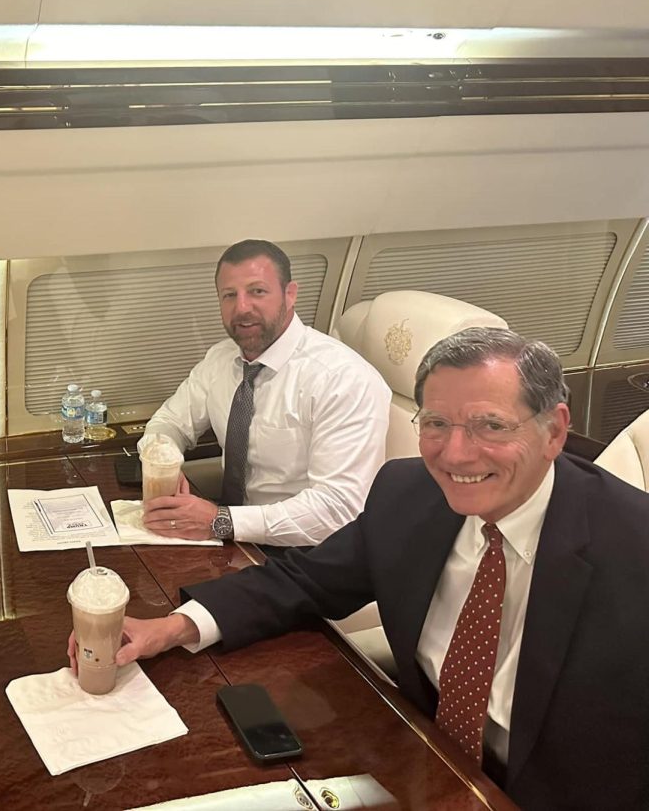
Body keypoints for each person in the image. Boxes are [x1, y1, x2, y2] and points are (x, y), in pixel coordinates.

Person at [88, 328, 649, 808]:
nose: (454, 454)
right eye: (435, 424)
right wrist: (175, 626)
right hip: (421, 759)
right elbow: (306, 579)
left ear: (554, 430)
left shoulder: (633, 547)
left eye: (489, 426)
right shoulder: (410, 493)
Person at [138, 239, 389, 545]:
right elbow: (169, 423)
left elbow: (338, 509)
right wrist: (164, 463)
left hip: (307, 554)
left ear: (290, 294)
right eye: (229, 295)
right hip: (234, 537)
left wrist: (221, 522)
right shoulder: (221, 359)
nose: (242, 307)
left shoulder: (342, 379)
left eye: (257, 291)